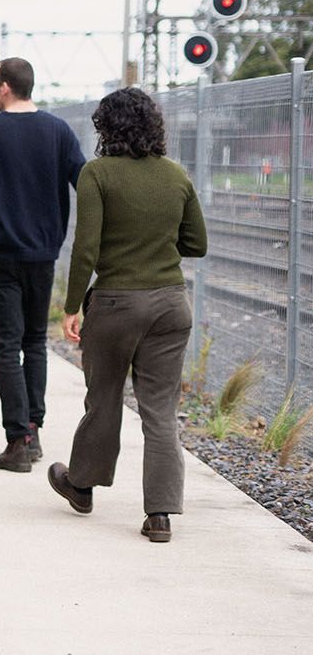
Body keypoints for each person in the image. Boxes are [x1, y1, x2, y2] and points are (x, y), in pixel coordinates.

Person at [48, 88, 207, 543]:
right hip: (171, 306)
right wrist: (156, 245)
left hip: (116, 304)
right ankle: (160, 515)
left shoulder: (96, 174)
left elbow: (86, 248)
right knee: (160, 411)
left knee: (105, 397)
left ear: (106, 129)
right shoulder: (176, 176)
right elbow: (198, 244)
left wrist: (72, 305)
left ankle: (81, 487)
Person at [0, 57, 86, 473]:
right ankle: (34, 431)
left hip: (1, 254)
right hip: (43, 255)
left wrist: (1, 200)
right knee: (35, 342)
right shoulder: (58, 131)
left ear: (4, 87)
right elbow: (83, 179)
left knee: (6, 348)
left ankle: (17, 442)